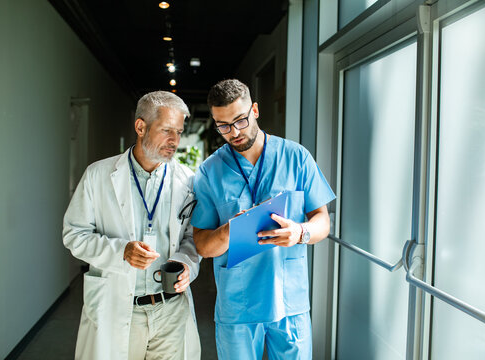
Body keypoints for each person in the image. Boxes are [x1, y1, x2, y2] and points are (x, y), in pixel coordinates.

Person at [191, 79, 336, 359]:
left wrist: (301, 232)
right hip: (238, 306)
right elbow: (202, 246)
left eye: (240, 120)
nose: (234, 132)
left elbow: (322, 221)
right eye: (223, 125)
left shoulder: (296, 157)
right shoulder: (210, 172)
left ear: (255, 110)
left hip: (289, 302)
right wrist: (227, 232)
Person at [63, 91, 201, 360]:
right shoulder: (98, 175)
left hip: (170, 309)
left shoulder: (187, 180)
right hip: (118, 305)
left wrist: (187, 264)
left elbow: (192, 238)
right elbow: (74, 234)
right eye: (166, 130)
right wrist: (121, 251)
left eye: (179, 132)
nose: (175, 141)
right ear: (141, 127)